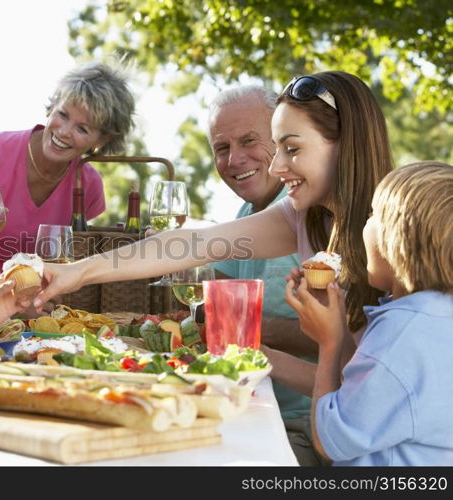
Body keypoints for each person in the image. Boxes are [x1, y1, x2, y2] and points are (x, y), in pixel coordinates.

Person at [35, 71, 392, 396]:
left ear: (346, 144)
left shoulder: (397, 233)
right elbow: (191, 244)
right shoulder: (305, 217)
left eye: (292, 149)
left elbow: (371, 389)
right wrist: (75, 273)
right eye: (277, 147)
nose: (275, 166)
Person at [285, 161, 453, 465]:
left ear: (399, 236)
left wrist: (330, 343)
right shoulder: (434, 319)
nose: (365, 223)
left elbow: (331, 440)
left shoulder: (402, 332)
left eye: (373, 215)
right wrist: (334, 323)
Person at [206, 85, 320, 465]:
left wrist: (243, 326)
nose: (235, 159)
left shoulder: (309, 212)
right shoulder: (246, 215)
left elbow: (347, 339)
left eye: (249, 141)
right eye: (221, 148)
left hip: (300, 427)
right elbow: (211, 299)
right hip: (240, 409)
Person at [0, 61, 135, 277]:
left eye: (82, 128)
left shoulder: (88, 184)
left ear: (102, 140)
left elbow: (72, 260)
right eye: (63, 115)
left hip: (39, 297)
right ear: (52, 106)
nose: (64, 132)